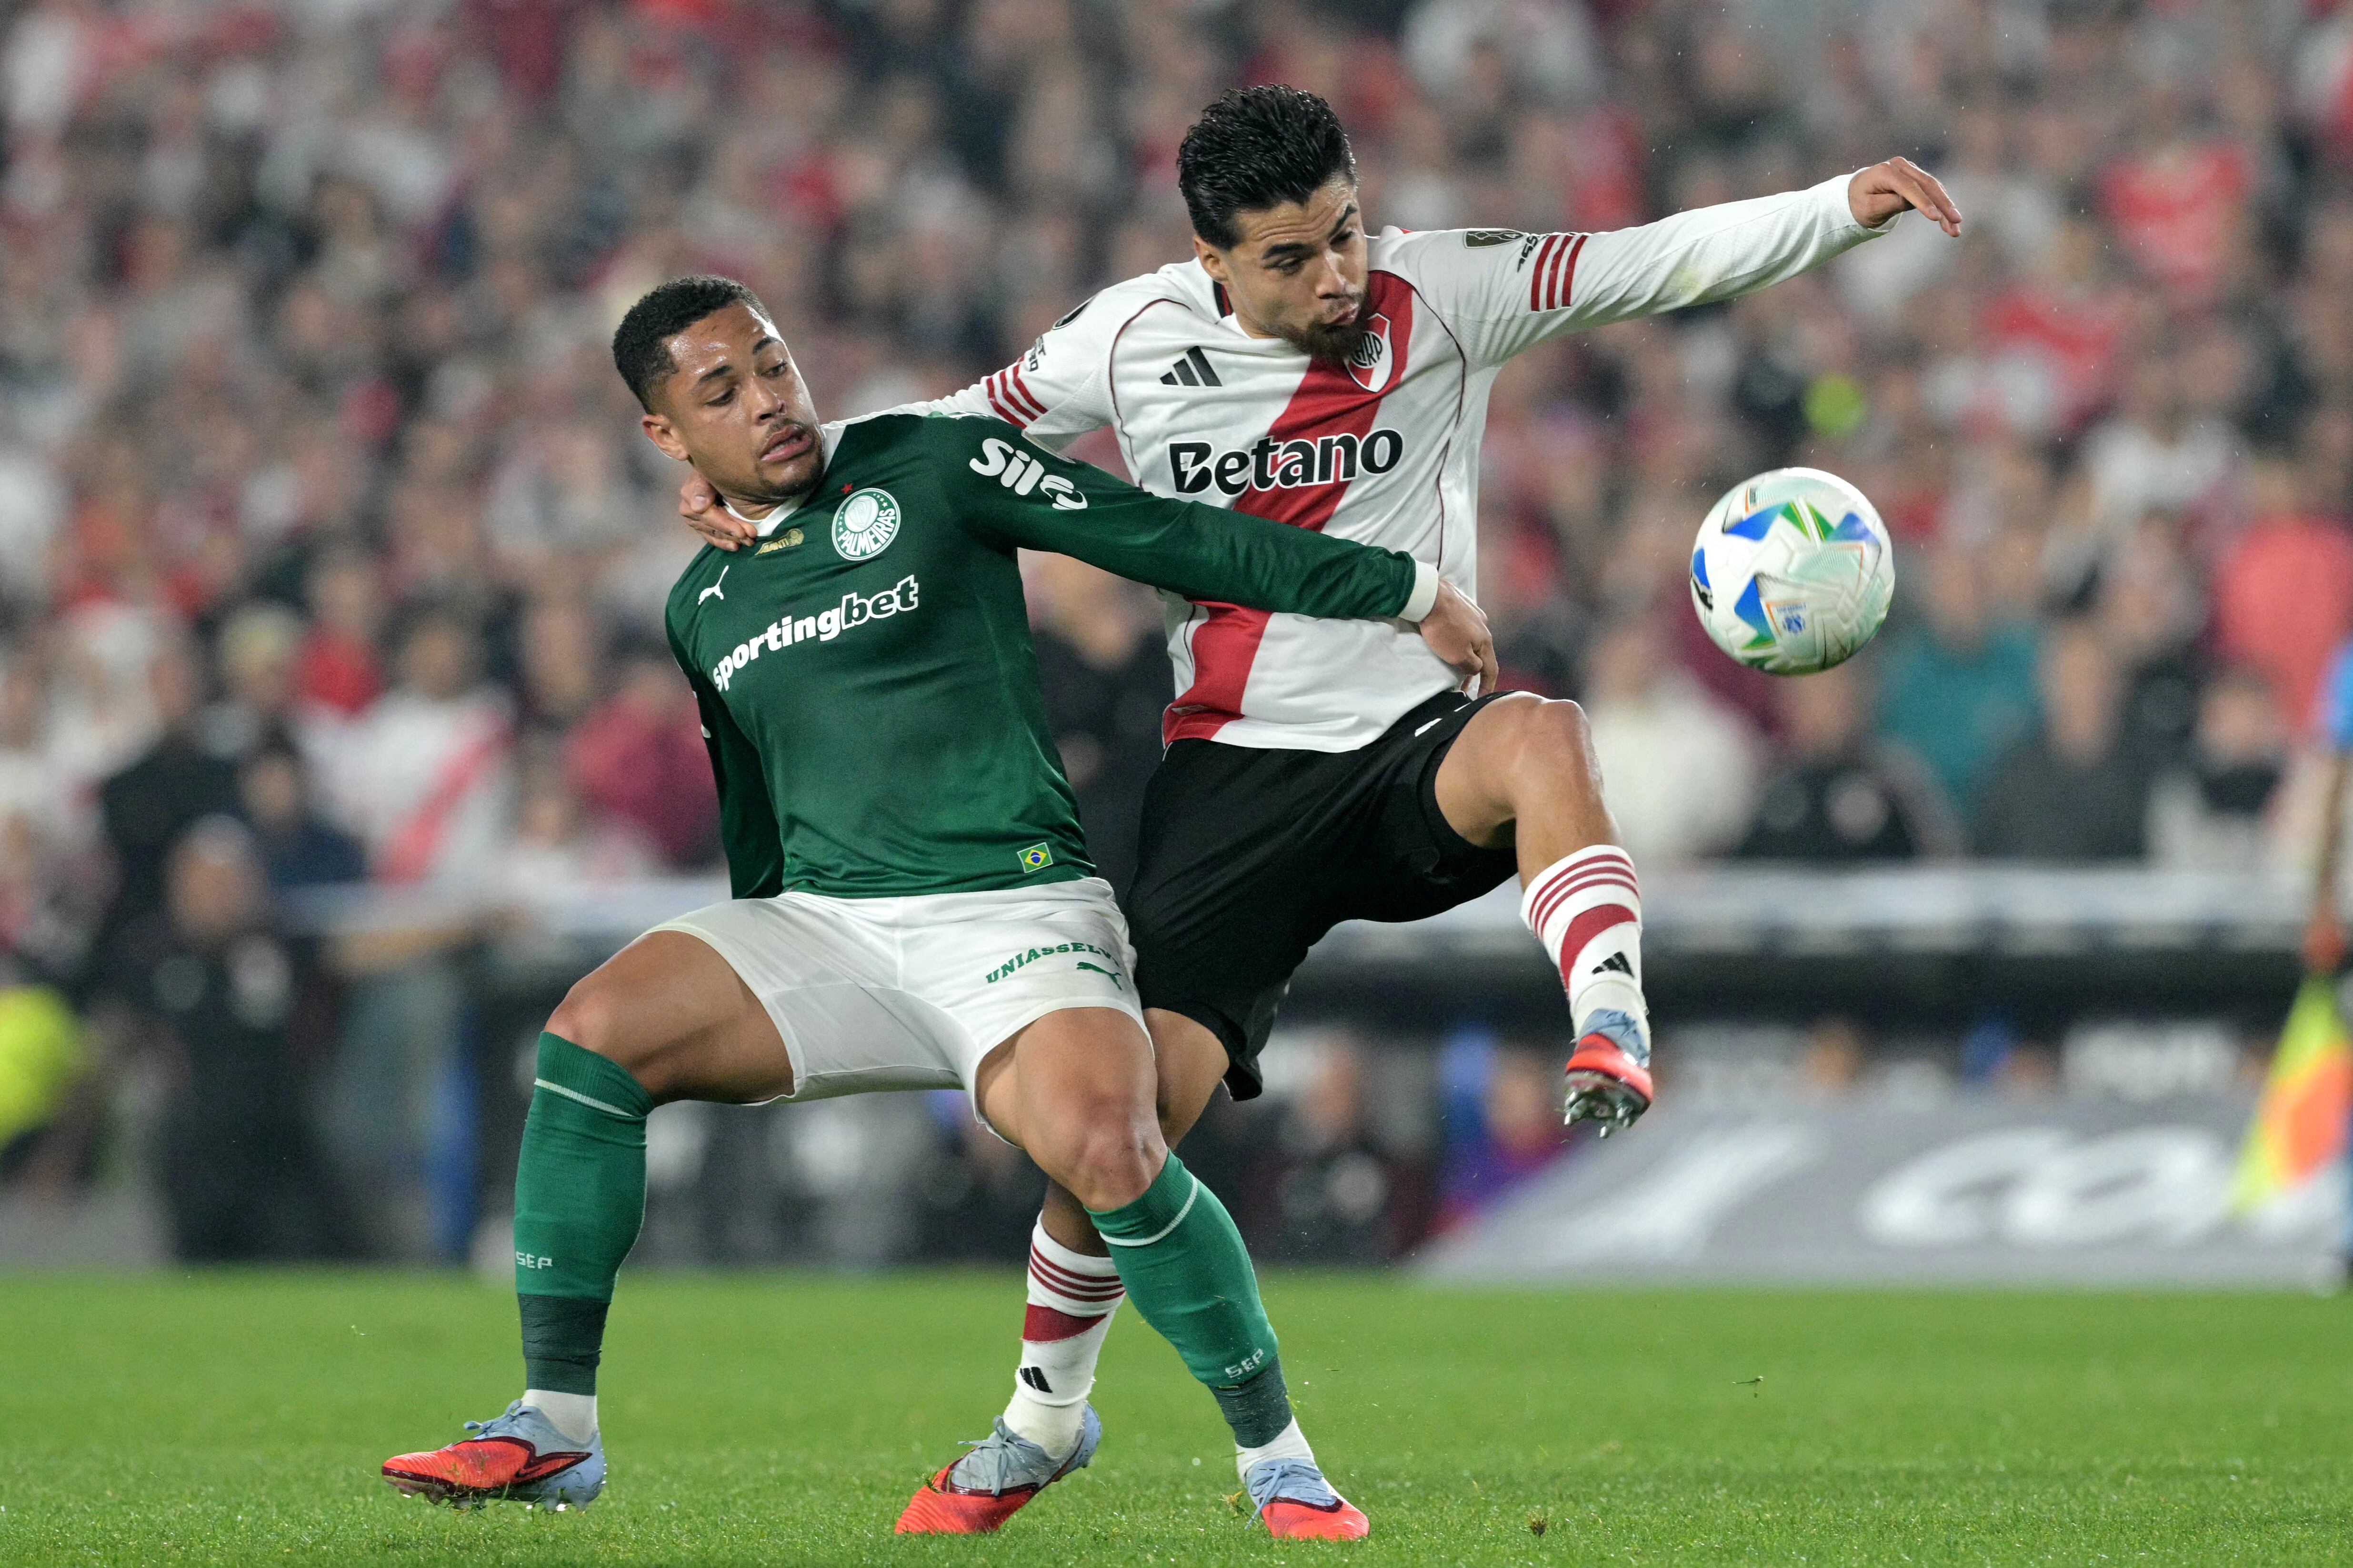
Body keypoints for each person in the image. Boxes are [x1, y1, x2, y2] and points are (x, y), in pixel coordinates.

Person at [679, 83, 1963, 1513]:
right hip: (1230, 782)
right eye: (1291, 258)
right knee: (1121, 1128)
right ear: (1212, 261)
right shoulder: (1131, 338)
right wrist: (775, 492)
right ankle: (1043, 1422)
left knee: (1545, 733)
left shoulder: (1448, 291)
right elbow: (947, 431)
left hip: (1415, 747)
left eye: (1345, 232)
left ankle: (1608, 1021)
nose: (1338, 275)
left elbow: (1649, 259)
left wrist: (1836, 209)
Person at [380, 276, 1492, 1539]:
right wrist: (764, 978)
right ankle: (554, 1427)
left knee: (1113, 1150)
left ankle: (1277, 1459)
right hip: (829, 931)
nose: (771, 403)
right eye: (723, 394)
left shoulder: (934, 466)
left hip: (1013, 914)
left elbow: (1169, 539)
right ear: (669, 440)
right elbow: (759, 820)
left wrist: (1398, 586)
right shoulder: (702, 604)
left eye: (776, 365)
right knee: (591, 1034)